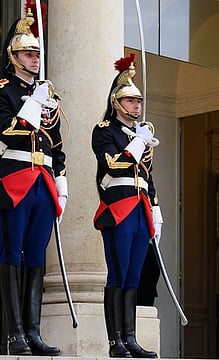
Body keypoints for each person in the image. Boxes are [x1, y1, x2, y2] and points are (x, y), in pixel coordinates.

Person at [0, 8, 66, 356]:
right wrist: (30, 107)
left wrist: (62, 183)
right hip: (14, 179)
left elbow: (56, 144)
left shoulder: (46, 94)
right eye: (28, 53)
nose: (36, 59)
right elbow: (7, 133)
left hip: (43, 181)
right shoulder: (4, 91)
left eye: (38, 53)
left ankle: (34, 331)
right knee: (12, 253)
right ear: (13, 57)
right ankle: (15, 334)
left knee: (37, 256)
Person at [91, 54, 162, 358]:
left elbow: (147, 177)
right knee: (118, 273)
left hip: (140, 208)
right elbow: (114, 166)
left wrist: (156, 209)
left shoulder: (141, 134)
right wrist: (137, 143)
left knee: (135, 275)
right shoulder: (105, 130)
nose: (137, 106)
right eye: (130, 101)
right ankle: (114, 341)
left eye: (138, 101)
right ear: (117, 103)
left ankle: (130, 338)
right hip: (117, 207)